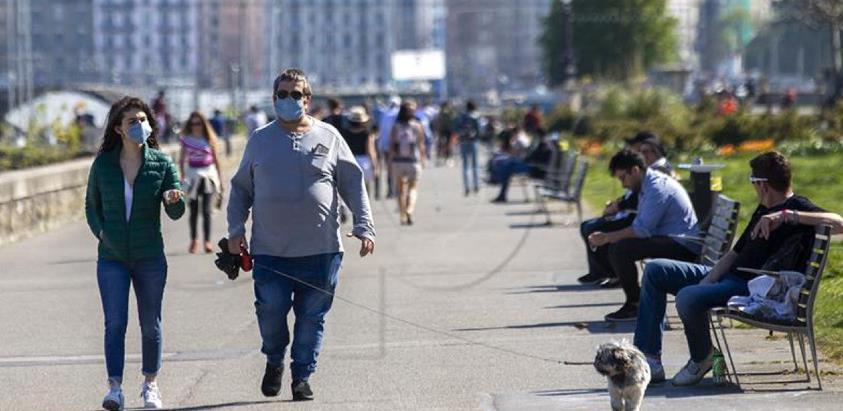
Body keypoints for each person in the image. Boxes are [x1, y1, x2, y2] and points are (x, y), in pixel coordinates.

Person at [227, 68, 375, 401]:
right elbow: (240, 190)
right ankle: (274, 358)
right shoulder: (260, 140)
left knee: (312, 319)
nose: (289, 100)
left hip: (321, 251)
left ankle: (302, 376)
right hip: (270, 252)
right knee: (270, 313)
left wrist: (364, 225)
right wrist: (236, 230)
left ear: (307, 100)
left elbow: (353, 182)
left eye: (296, 95)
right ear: (273, 98)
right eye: (283, 94)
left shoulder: (330, 136)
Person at [633, 151, 843, 386]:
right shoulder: (762, 209)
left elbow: (840, 222)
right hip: (727, 277)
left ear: (762, 184)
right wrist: (709, 280)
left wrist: (786, 216)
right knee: (655, 270)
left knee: (687, 297)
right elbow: (735, 253)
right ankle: (649, 360)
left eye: (753, 182)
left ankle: (701, 357)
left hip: (749, 287)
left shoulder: (796, 206)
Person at [85, 96, 185, 410]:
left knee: (150, 322)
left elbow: (177, 212)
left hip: (149, 256)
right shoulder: (103, 165)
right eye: (132, 121)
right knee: (115, 322)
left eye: (143, 120)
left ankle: (150, 384)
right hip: (112, 258)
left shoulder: (161, 163)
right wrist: (102, 232)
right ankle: (114, 388)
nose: (139, 126)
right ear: (118, 128)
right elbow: (92, 207)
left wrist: (173, 199)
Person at [587, 149, 700, 322]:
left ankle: (635, 304)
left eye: (623, 177)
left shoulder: (657, 188)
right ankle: (636, 302)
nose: (623, 185)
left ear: (635, 170)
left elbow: (642, 230)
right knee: (619, 246)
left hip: (682, 245)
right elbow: (640, 226)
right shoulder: (647, 184)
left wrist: (607, 237)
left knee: (621, 249)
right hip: (670, 239)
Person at [577, 132, 676, 288]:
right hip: (647, 222)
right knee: (592, 228)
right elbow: (635, 199)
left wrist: (610, 234)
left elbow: (643, 223)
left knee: (615, 244)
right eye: (639, 151)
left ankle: (617, 280)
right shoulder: (648, 173)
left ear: (654, 151)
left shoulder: (658, 174)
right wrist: (618, 205)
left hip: (665, 233)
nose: (639, 154)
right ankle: (604, 273)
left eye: (644, 151)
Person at [179, 111, 224, 254]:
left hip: (208, 177)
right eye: (192, 124)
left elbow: (217, 161)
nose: (195, 126)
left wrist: (221, 180)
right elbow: (181, 160)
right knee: (193, 211)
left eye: (198, 123)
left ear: (203, 124)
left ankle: (207, 241)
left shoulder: (209, 139)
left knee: (206, 211)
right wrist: (182, 176)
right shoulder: (186, 139)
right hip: (192, 176)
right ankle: (194, 240)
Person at [389, 101, 427, 225]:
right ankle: (410, 209)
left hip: (398, 161)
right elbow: (421, 145)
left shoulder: (396, 126)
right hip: (412, 160)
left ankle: (402, 215)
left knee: (400, 190)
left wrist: (390, 161)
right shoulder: (417, 125)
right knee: (413, 188)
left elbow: (391, 145)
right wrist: (423, 159)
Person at [340, 106, 378, 197]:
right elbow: (370, 151)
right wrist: (375, 165)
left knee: (351, 188)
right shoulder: (367, 133)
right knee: (365, 188)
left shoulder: (344, 132)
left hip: (349, 160)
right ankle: (365, 207)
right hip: (364, 161)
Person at [454, 100, 481, 196]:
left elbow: (456, 128)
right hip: (474, 142)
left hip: (463, 141)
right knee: (475, 165)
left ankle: (467, 187)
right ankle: (476, 185)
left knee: (465, 165)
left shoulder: (461, 116)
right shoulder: (476, 116)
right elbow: (479, 130)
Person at [376, 96, 401, 199]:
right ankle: (395, 190)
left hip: (385, 145)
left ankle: (390, 190)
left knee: (388, 168)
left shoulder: (384, 114)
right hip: (396, 145)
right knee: (396, 168)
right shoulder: (397, 114)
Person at [433, 101, 456, 166]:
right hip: (442, 130)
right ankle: (440, 158)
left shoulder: (451, 112)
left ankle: (448, 158)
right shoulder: (441, 113)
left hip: (449, 130)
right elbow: (438, 122)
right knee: (441, 144)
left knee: (449, 145)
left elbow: (454, 121)